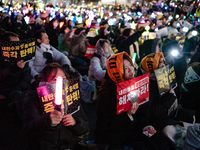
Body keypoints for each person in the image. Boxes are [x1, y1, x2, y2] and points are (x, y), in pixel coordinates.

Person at [23, 63, 89, 150]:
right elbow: (28, 130)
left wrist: (75, 122)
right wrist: (47, 121)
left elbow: (85, 127)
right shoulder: (34, 100)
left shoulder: (72, 100)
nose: (61, 82)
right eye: (55, 80)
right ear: (44, 82)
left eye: (64, 78)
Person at [136, 52, 189, 149]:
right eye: (159, 63)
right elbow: (150, 112)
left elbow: (179, 78)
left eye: (163, 61)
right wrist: (169, 96)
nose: (163, 64)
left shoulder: (164, 77)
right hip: (160, 122)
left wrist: (180, 60)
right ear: (151, 68)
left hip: (175, 115)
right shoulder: (143, 87)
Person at [95, 52, 143, 149]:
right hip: (113, 140)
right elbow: (105, 127)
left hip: (131, 134)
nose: (131, 70)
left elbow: (139, 116)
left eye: (131, 65)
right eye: (125, 68)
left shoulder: (134, 86)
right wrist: (128, 115)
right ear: (115, 72)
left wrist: (146, 126)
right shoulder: (107, 95)